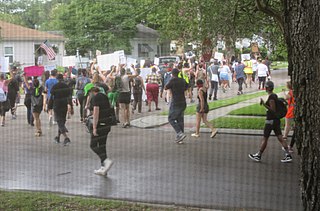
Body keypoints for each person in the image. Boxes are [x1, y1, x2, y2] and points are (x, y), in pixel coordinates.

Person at [248, 81, 292, 163]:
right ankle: (288, 154)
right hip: (276, 121)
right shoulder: (274, 95)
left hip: (270, 121)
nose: (265, 88)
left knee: (265, 139)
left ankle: (259, 155)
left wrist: (264, 104)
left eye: (265, 87)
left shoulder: (271, 97)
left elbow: (273, 109)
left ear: (267, 88)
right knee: (280, 138)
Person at [89, 87, 114, 176]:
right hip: (107, 124)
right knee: (102, 145)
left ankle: (106, 160)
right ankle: (104, 168)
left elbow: (96, 112)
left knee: (93, 145)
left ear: (92, 92)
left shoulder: (96, 98)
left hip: (100, 124)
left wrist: (94, 127)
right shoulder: (105, 96)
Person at [165, 68, 188, 144]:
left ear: (172, 74)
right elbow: (187, 87)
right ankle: (180, 137)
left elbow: (166, 87)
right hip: (183, 101)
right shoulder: (182, 80)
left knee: (171, 118)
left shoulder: (172, 80)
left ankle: (179, 133)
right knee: (180, 119)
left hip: (175, 102)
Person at [49, 74, 73, 146]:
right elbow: (69, 97)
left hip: (57, 104)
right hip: (64, 105)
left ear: (57, 79)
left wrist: (49, 107)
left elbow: (51, 97)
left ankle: (66, 138)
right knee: (62, 120)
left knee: (59, 121)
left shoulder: (55, 87)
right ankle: (58, 137)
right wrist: (71, 106)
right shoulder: (66, 87)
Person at [282, 81, 295, 152]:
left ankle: (285, 136)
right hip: (294, 110)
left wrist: (284, 92)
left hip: (291, 111)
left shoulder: (290, 92)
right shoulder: (295, 91)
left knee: (287, 125)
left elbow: (286, 97)